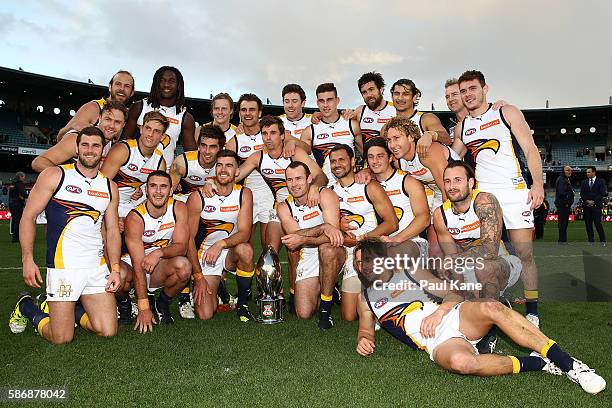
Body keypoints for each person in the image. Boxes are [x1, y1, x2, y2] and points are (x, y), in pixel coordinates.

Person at [353, 238, 606, 395]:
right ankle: (540, 363)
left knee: (491, 307)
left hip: (452, 316)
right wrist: (363, 339)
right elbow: (365, 329)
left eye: (366, 260)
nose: (361, 266)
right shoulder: (366, 297)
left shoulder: (409, 272)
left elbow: (452, 295)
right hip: (437, 343)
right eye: (357, 263)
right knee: (464, 364)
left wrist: (439, 312)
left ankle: (569, 364)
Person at [9, 127, 122, 344]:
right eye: (85, 145)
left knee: (107, 330)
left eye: (96, 145)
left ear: (103, 150)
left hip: (96, 266)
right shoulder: (55, 175)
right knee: (61, 337)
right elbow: (28, 217)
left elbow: (112, 230)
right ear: (77, 149)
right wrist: (27, 259)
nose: (90, 150)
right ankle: (26, 306)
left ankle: (67, 312)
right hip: (64, 266)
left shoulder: (109, 186)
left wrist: (114, 269)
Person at [452, 70, 544, 327]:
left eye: (472, 88)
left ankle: (533, 311)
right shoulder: (463, 126)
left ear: (485, 89)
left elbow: (529, 149)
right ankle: (490, 301)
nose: (468, 94)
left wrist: (537, 184)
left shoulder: (506, 112)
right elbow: (451, 158)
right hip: (484, 198)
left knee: (524, 253)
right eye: (463, 91)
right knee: (487, 254)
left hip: (515, 193)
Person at [433, 161, 522, 299]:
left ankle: (490, 316)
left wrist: (454, 260)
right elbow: (451, 258)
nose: (452, 186)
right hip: (469, 265)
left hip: (503, 261)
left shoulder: (485, 201)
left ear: (470, 182)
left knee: (484, 267)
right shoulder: (440, 215)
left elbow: (489, 252)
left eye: (458, 180)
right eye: (447, 181)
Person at [328, 144, 398, 321]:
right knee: (348, 317)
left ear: (352, 161)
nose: (337, 164)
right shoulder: (329, 192)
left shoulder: (369, 187)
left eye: (341, 160)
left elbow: (392, 223)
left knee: (369, 313)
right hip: (346, 251)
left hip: (369, 250)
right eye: (333, 161)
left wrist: (363, 239)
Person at [117, 171, 191, 330]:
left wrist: (158, 253)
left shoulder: (179, 208)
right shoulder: (135, 217)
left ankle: (162, 303)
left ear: (171, 190)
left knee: (184, 267)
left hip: (159, 264)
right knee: (121, 276)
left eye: (163, 186)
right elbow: (138, 264)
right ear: (146, 190)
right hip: (133, 266)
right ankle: (125, 305)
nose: (158, 191)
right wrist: (144, 307)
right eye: (153, 186)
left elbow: (182, 246)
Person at [186, 149, 255, 322]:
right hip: (205, 256)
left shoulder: (244, 194)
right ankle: (217, 287)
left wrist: (220, 244)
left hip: (229, 250)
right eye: (220, 165)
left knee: (245, 250)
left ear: (237, 172)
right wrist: (198, 276)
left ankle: (242, 304)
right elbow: (189, 241)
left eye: (229, 166)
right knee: (205, 314)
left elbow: (245, 233)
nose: (223, 170)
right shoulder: (198, 197)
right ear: (214, 169)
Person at [278, 161, 345, 329]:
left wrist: (305, 238)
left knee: (327, 250)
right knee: (304, 313)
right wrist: (322, 227)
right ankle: (328, 286)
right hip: (307, 254)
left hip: (335, 250)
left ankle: (325, 310)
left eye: (299, 178)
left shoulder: (325, 195)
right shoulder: (284, 207)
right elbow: (295, 237)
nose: (294, 184)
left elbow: (334, 237)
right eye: (290, 180)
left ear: (309, 179)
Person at [101, 111, 167, 222]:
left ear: (162, 136)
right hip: (108, 203)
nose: (150, 134)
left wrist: (140, 191)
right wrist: (112, 216)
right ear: (141, 129)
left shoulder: (160, 162)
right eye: (148, 128)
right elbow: (101, 185)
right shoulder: (123, 150)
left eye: (157, 131)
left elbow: (156, 195)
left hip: (131, 207)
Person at [123, 66, 196, 167]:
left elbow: (192, 156)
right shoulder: (139, 107)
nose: (166, 85)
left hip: (162, 176)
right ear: (156, 83)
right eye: (162, 80)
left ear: (179, 85)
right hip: (133, 170)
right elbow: (124, 141)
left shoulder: (185, 118)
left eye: (171, 81)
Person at [363, 137, 430, 244]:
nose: (375, 161)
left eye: (380, 156)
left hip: (411, 243)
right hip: (382, 246)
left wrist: (396, 239)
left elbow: (424, 218)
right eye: (371, 157)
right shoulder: (366, 183)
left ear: (390, 158)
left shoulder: (408, 181)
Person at [32, 101, 128, 172]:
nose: (111, 125)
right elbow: (39, 162)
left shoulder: (114, 145)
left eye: (117, 122)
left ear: (123, 125)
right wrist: (67, 179)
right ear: (100, 118)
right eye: (108, 119)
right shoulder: (78, 138)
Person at [300, 83, 363, 182]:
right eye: (321, 101)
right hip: (325, 189)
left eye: (329, 100)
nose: (325, 105)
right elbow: (304, 167)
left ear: (337, 101)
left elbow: (365, 155)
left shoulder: (352, 125)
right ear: (317, 102)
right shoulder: (309, 132)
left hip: (350, 187)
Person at [57, 70, 134, 141]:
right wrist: (73, 127)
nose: (122, 89)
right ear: (110, 87)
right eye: (118, 84)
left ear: (132, 92)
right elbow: (60, 137)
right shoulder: (93, 107)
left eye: (127, 86)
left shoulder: (129, 115)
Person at [391, 78, 451, 147]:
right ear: (392, 97)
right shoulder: (388, 126)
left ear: (414, 97)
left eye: (406, 94)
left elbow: (447, 139)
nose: (400, 98)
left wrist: (432, 135)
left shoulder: (426, 119)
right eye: (396, 94)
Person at [354, 72, 396, 142]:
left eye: (371, 89)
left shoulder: (395, 110)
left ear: (381, 89)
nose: (368, 95)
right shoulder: (360, 111)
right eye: (364, 92)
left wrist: (421, 138)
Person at [580, 166, 607, 245]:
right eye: (587, 172)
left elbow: (602, 193)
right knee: (588, 225)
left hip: (596, 207)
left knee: (598, 224)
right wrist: (587, 201)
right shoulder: (584, 182)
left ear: (594, 172)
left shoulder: (601, 181)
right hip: (587, 207)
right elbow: (582, 194)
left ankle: (602, 241)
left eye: (589, 172)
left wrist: (594, 202)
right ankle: (591, 240)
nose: (587, 174)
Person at [555, 165, 575, 243]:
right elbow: (562, 193)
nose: (570, 172)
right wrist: (567, 202)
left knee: (564, 223)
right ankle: (562, 241)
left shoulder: (565, 179)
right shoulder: (562, 180)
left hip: (564, 204)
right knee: (563, 223)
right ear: (563, 171)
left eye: (570, 170)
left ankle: (563, 240)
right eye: (567, 170)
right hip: (563, 205)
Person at [8, 171, 27, 243]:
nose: (24, 178)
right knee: (18, 221)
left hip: (11, 203)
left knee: (14, 220)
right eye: (23, 177)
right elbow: (24, 194)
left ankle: (14, 236)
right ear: (20, 177)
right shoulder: (19, 184)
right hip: (17, 204)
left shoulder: (12, 184)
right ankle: (16, 238)